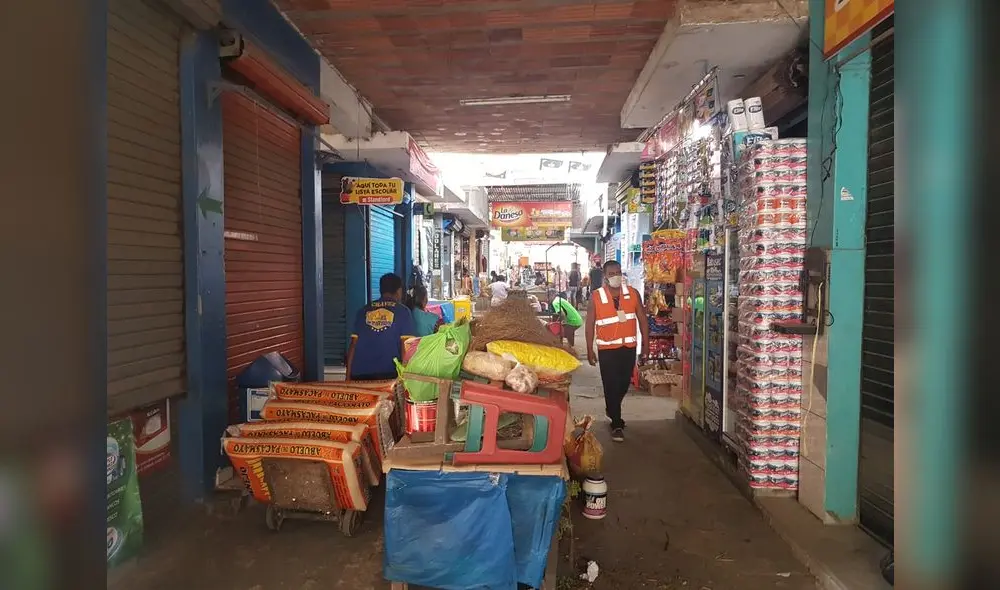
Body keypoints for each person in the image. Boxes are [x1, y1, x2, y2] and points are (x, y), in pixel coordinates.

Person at [584, 260, 650, 442]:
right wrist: (589, 349)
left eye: (618, 272)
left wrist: (646, 344)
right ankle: (616, 423)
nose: (616, 276)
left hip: (628, 348)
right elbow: (589, 324)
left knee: (623, 384)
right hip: (607, 350)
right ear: (605, 276)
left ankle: (611, 408)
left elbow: (643, 319)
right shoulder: (596, 296)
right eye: (611, 274)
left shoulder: (633, 293)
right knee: (611, 384)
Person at [349, 273, 415, 380]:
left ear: (381, 290)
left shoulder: (363, 311)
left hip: (359, 374)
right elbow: (406, 347)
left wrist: (348, 377)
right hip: (388, 374)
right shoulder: (403, 312)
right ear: (399, 291)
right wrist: (406, 378)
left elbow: (353, 345)